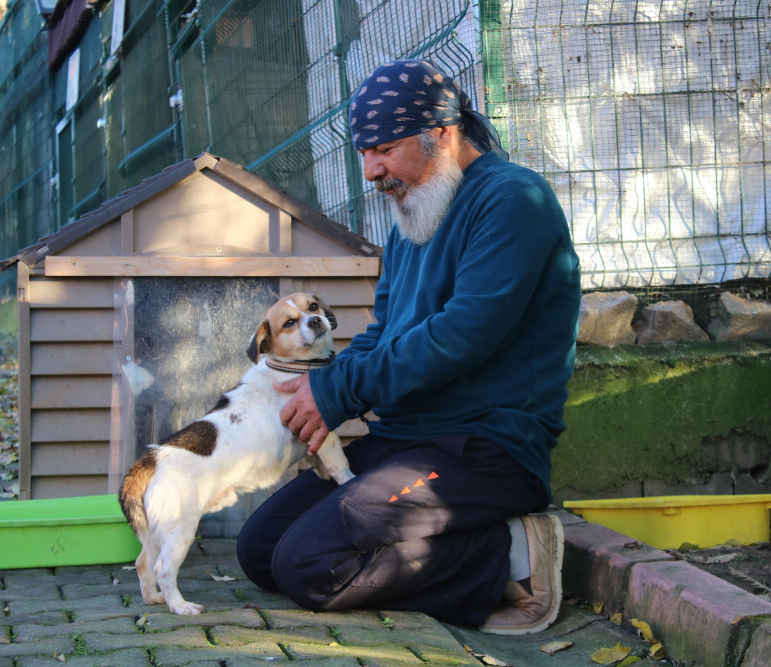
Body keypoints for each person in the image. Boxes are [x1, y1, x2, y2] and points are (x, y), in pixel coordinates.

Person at [237, 59, 581, 635]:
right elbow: (386, 329)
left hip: (486, 446)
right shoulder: (413, 218)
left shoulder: (514, 199)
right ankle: (464, 548)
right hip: (406, 440)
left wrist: (338, 390)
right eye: (364, 154)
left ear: (442, 134)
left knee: (310, 566)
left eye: (384, 149)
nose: (371, 171)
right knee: (261, 549)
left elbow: (462, 334)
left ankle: (511, 556)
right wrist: (320, 385)